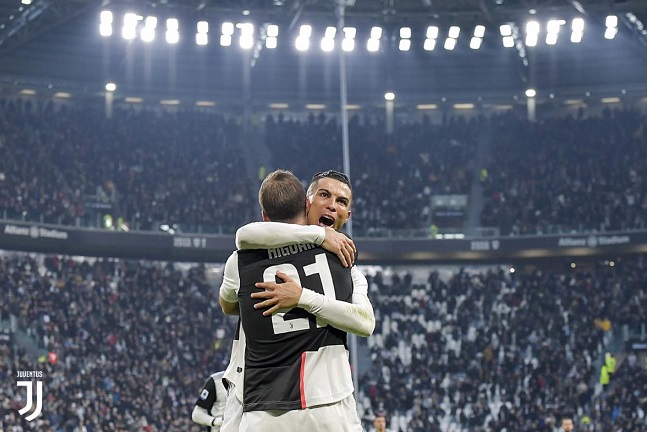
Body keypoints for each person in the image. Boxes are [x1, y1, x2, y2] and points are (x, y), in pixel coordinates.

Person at [219, 169, 370, 431]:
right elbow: (365, 324)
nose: (332, 206)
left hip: (262, 404)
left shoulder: (242, 261)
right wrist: (320, 236)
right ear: (306, 204)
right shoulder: (344, 265)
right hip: (326, 405)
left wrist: (301, 297)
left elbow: (227, 304)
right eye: (325, 195)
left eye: (341, 201)